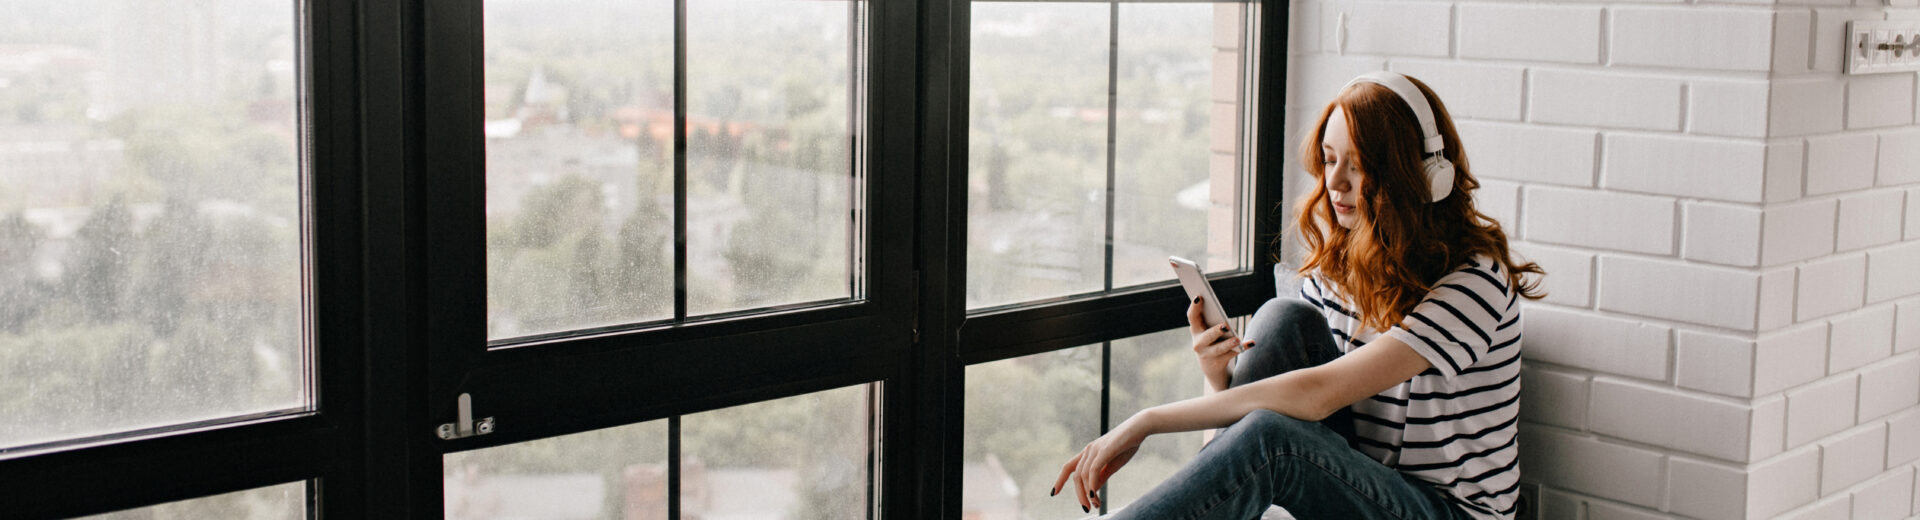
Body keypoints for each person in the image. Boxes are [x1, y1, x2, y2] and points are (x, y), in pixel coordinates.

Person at [1052, 72, 1545, 520]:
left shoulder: (1476, 281)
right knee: (1284, 317)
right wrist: (1215, 374)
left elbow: (1314, 398)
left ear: (1420, 174)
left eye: (1359, 164)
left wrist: (1146, 421)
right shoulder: (1341, 266)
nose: (1334, 182)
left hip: (1448, 513)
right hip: (1366, 484)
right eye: (1330, 161)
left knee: (1277, 439)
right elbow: (1237, 443)